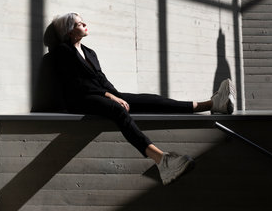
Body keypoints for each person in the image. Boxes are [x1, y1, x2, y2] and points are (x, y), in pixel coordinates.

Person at [45, 12, 236, 185]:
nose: (85, 24)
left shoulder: (89, 52)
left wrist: (117, 94)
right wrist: (110, 96)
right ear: (70, 31)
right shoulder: (63, 51)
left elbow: (101, 79)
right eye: (79, 23)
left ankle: (211, 104)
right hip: (81, 100)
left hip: (101, 94)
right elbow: (76, 84)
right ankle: (162, 160)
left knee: (149, 99)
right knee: (117, 110)